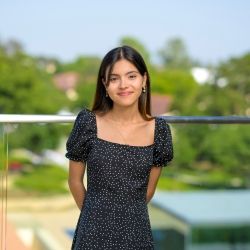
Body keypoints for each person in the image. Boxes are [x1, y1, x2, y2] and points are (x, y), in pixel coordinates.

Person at [65, 45, 173, 250]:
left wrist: (125, 221)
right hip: (92, 234)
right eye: (114, 79)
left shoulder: (159, 130)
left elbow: (148, 192)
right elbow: (74, 181)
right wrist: (96, 218)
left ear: (144, 80)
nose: (123, 85)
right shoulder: (88, 123)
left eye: (131, 76)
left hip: (137, 235)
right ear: (105, 85)